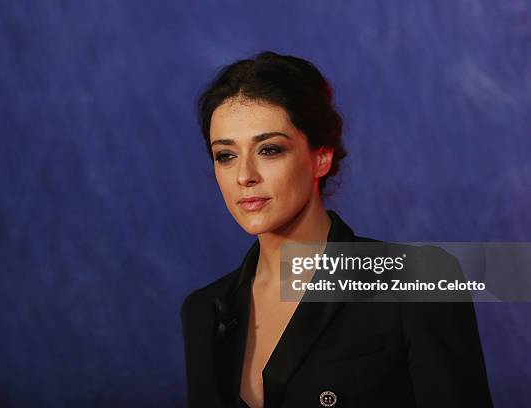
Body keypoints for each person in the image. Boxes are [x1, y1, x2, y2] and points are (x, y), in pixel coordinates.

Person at [180, 51, 493, 408]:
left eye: (269, 150)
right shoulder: (203, 311)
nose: (244, 175)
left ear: (321, 157)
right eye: (226, 155)